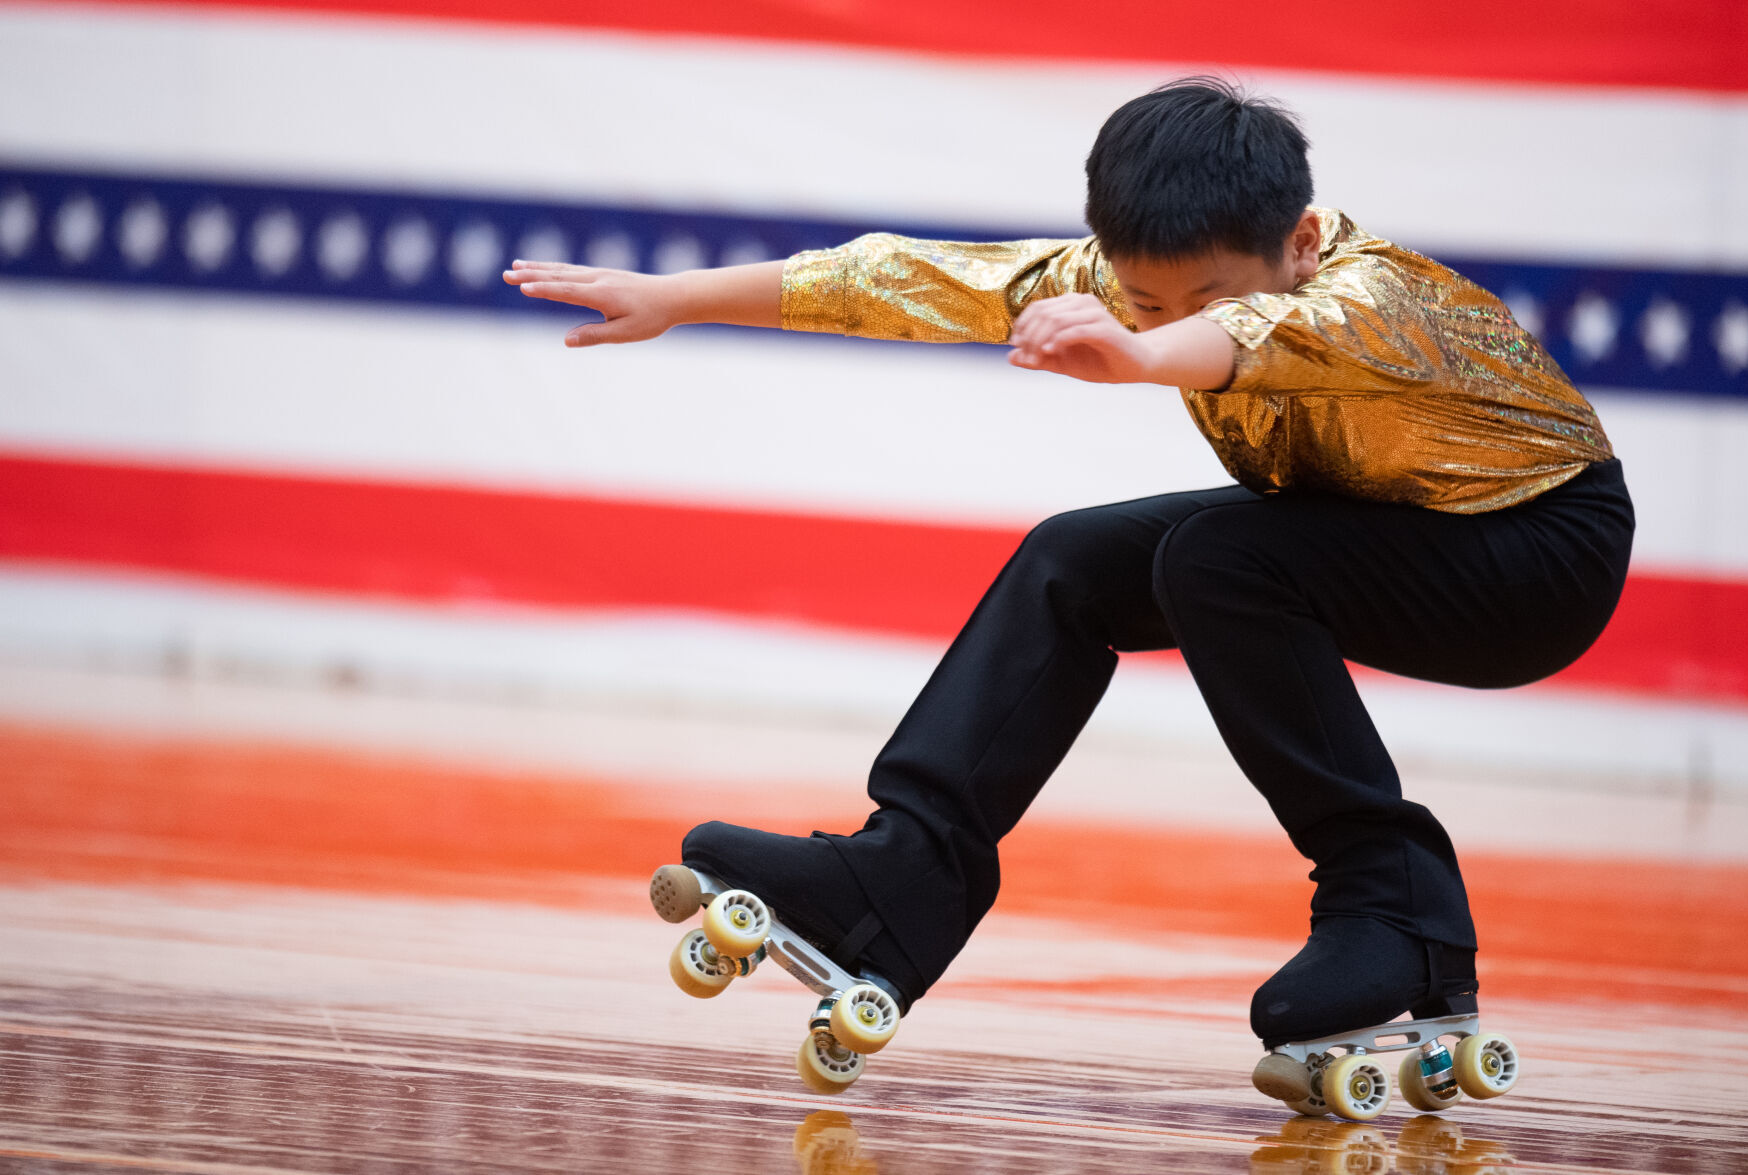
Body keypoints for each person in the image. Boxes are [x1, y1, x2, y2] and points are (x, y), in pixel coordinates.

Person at [503, 77, 1633, 1067]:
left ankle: (1393, 905)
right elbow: (910, 277)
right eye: (1141, 297)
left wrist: (1144, 350)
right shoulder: (1113, 273)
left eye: (1200, 299)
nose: (1161, 317)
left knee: (1218, 558)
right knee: (1070, 558)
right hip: (1370, 528)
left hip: (1534, 557)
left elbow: (1251, 337)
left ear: (1296, 241)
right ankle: (900, 877)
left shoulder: (1378, 295)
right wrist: (675, 297)